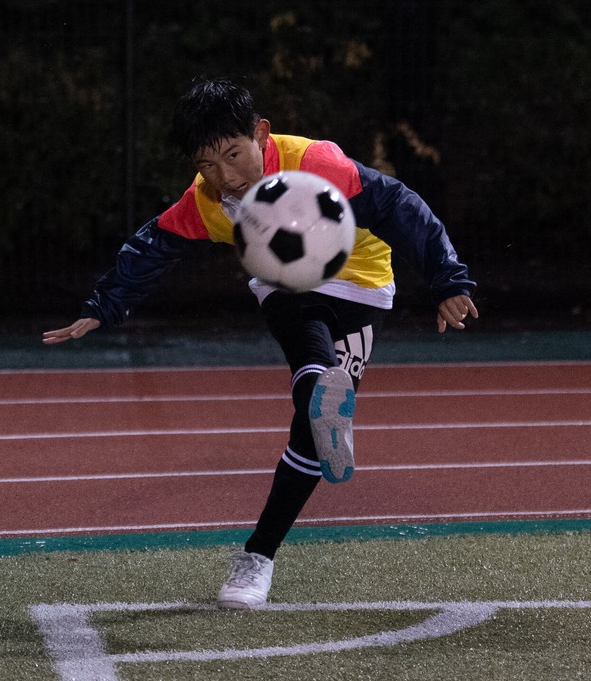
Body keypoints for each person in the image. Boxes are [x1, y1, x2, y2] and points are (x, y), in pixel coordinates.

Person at [43, 78, 478, 609]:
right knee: (305, 348)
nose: (226, 176)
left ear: (261, 133)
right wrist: (102, 308)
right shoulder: (209, 202)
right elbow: (151, 247)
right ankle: (272, 530)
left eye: (233, 154)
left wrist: (448, 280)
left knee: (309, 433)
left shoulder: (318, 166)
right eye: (208, 165)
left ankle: (271, 528)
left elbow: (398, 205)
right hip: (283, 282)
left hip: (363, 281)